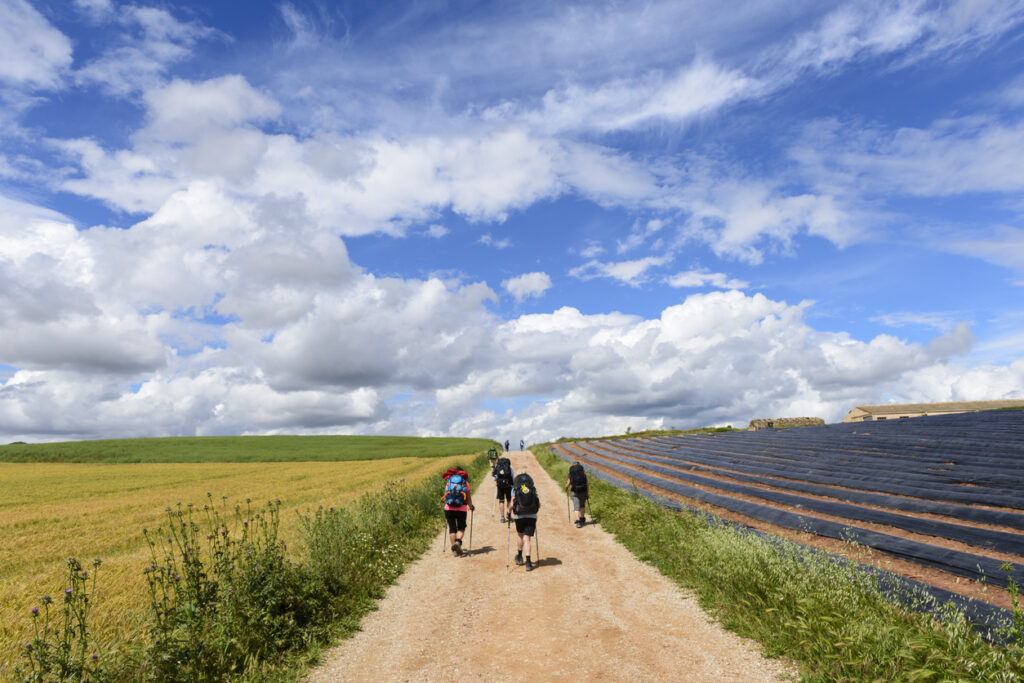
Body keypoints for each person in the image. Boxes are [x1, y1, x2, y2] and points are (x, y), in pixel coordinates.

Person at [511, 469, 540, 571]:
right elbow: (539, 504)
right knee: (527, 538)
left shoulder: (515, 489)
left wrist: (508, 512)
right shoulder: (533, 488)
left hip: (519, 516)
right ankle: (528, 562)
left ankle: (519, 556)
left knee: (520, 535)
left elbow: (511, 504)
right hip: (531, 516)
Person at [442, 467, 474, 556]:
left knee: (452, 528)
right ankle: (458, 541)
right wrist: (471, 506)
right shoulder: (465, 483)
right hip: (461, 508)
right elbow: (468, 498)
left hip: (448, 508)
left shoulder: (449, 482)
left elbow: (445, 498)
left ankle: (454, 550)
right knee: (461, 527)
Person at [565, 460, 589, 528]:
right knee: (582, 506)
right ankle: (582, 518)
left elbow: (568, 484)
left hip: (574, 491)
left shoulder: (571, 473)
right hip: (583, 491)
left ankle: (578, 521)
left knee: (576, 507)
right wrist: (587, 493)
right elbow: (587, 484)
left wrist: (566, 486)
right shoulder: (584, 473)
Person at [492, 454, 514, 522]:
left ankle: (502, 517)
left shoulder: (498, 467)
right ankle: (509, 514)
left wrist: (497, 481)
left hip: (500, 485)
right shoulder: (510, 467)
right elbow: (513, 476)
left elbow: (494, 478)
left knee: (501, 501)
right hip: (508, 485)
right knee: (509, 500)